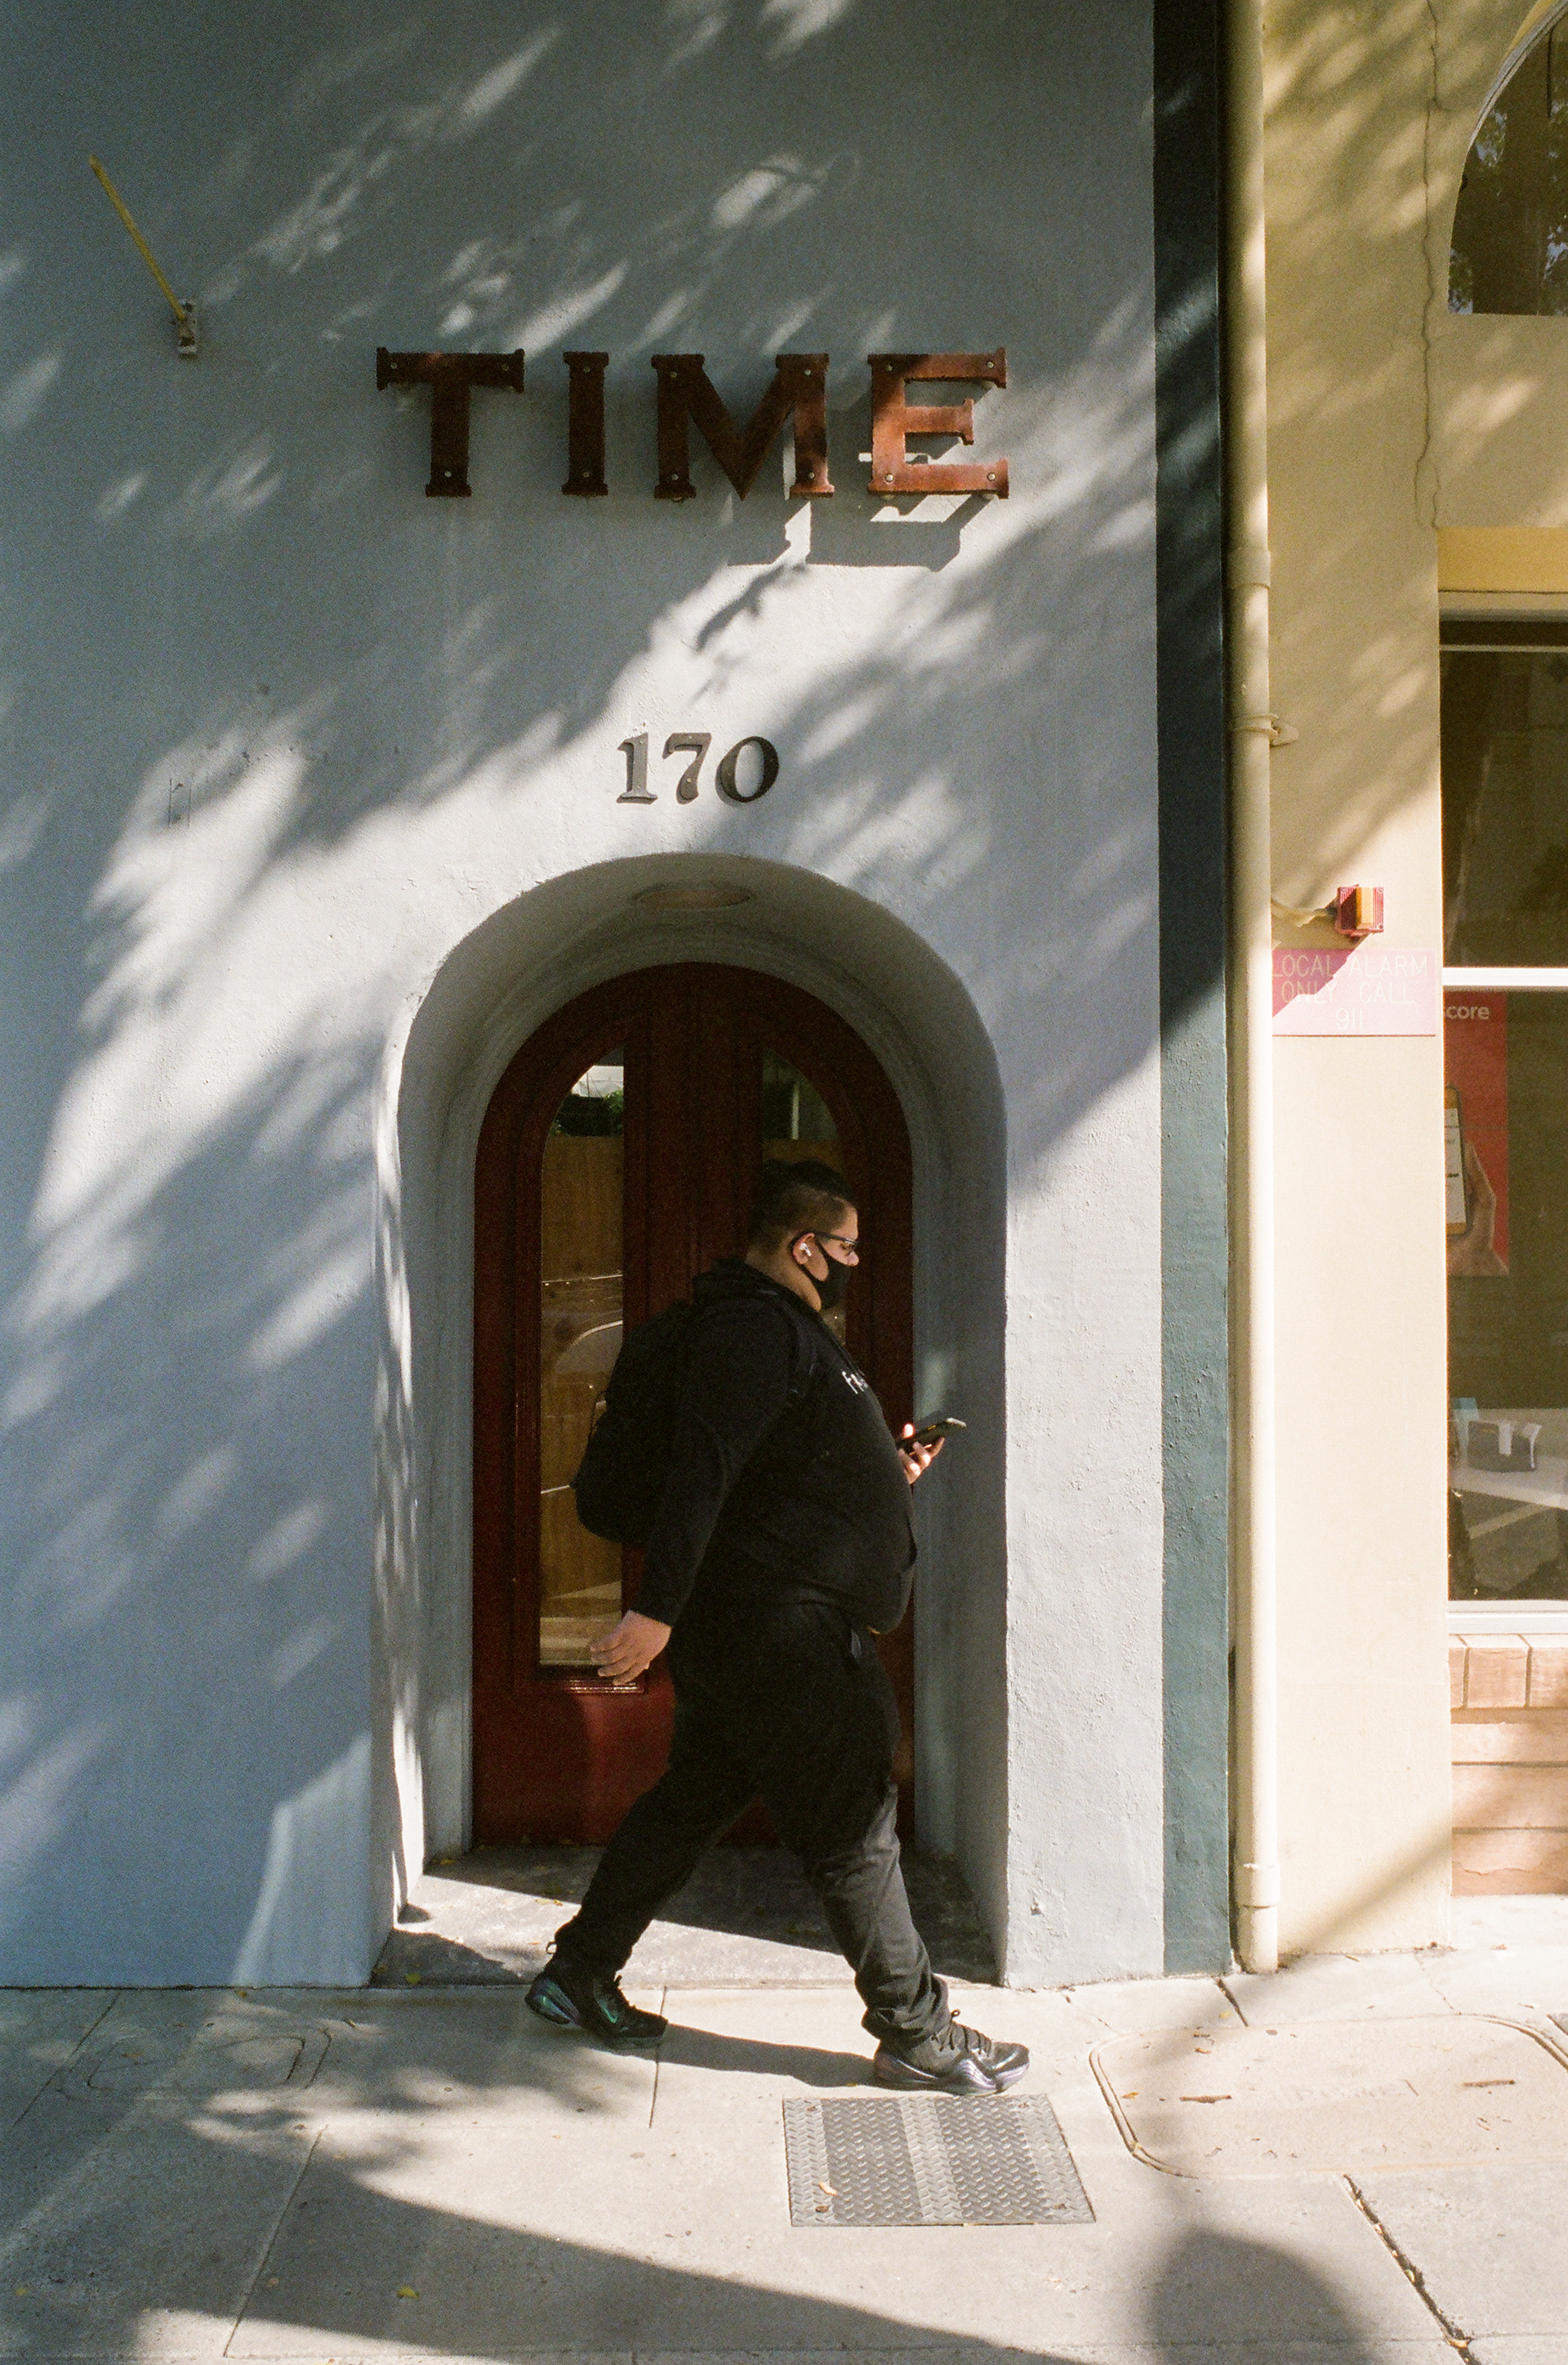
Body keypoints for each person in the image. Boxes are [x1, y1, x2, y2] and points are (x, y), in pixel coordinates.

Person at [525, 1158, 1029, 2095]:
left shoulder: (779, 1332)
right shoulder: (753, 1330)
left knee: (691, 1801)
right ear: (805, 1246)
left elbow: (774, 1478)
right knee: (853, 1824)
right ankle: (918, 2033)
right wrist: (655, 1612)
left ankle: (579, 1971)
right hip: (782, 1636)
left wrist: (883, 1473)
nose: (853, 1265)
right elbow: (704, 1473)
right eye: (847, 1249)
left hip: (754, 1630)